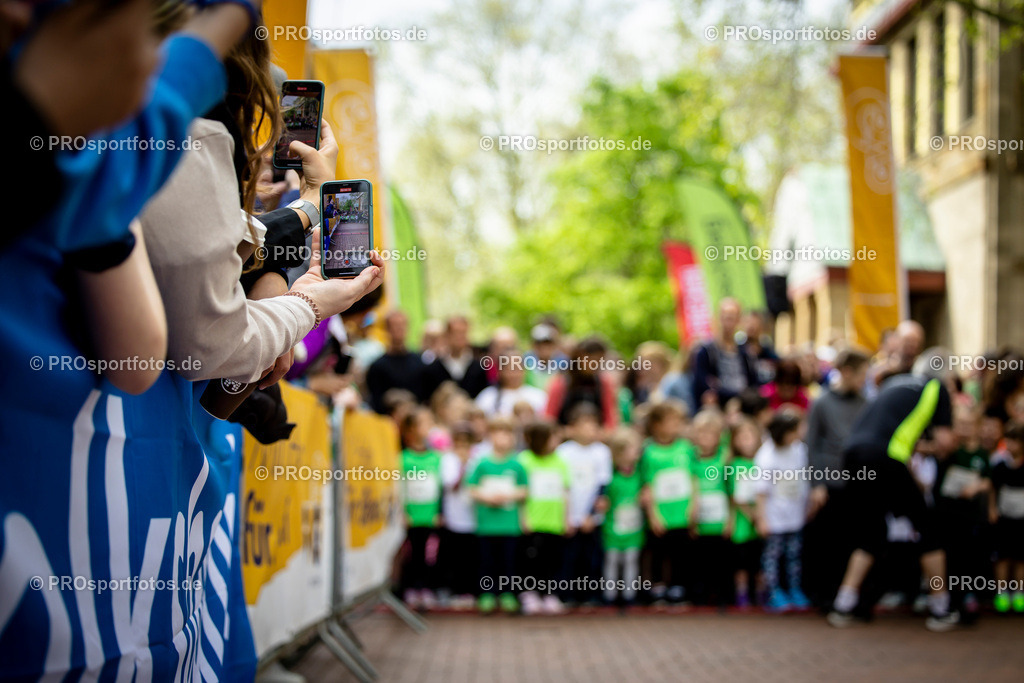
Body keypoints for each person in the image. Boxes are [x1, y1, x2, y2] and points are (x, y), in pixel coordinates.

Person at [828, 349, 959, 631]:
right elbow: (946, 442)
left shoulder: (895, 383)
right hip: (885, 457)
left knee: (871, 532)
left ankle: (844, 604)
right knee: (928, 528)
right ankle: (941, 607)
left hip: (853, 455)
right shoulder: (936, 388)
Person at [802, 348, 870, 607]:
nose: (865, 379)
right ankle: (823, 595)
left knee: (851, 541)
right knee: (827, 543)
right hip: (829, 484)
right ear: (847, 371)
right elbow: (812, 445)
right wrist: (817, 484)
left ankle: (848, 595)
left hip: (857, 482)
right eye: (862, 373)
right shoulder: (821, 402)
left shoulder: (865, 403)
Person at [933, 404, 992, 621]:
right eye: (961, 424)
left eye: (969, 425)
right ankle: (947, 599)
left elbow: (987, 480)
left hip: (971, 516)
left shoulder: (981, 454)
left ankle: (966, 597)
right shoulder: (950, 451)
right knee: (950, 558)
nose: (965, 429)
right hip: (949, 514)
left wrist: (977, 488)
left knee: (969, 558)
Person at [467, 417, 528, 614]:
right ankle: (487, 595)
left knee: (508, 562)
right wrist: (486, 497)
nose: (502, 438)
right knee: (487, 561)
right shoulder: (482, 463)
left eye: (506, 433)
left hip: (509, 524)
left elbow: (524, 490)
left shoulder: (517, 464)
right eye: (497, 433)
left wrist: (507, 495)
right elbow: (472, 488)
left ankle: (508, 594)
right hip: (487, 524)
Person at [639, 400, 697, 604]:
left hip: (681, 513)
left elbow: (693, 479)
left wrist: (693, 508)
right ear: (657, 425)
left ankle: (678, 588)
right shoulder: (649, 451)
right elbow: (647, 485)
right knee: (658, 553)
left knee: (681, 553)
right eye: (672, 422)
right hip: (661, 514)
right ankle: (658, 589)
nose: (677, 427)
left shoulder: (686, 448)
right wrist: (653, 515)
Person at [755, 409, 811, 612]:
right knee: (773, 555)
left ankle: (794, 589)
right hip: (774, 514)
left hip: (795, 512)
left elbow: (804, 479)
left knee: (793, 555)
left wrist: (807, 506)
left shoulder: (799, 449)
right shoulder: (767, 454)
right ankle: (774, 592)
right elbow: (761, 490)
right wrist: (762, 519)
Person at [556, 404, 613, 605]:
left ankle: (591, 595)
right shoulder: (563, 452)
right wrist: (566, 517)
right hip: (570, 516)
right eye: (585, 425)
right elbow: (562, 485)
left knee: (592, 557)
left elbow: (602, 484)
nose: (590, 430)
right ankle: (567, 595)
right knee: (569, 557)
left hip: (592, 518)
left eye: (594, 425)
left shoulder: (602, 452)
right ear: (572, 428)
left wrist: (590, 515)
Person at [517, 420, 572, 615]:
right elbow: (521, 494)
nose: (557, 441)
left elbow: (565, 492)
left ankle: (550, 593)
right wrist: (523, 518)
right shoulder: (524, 460)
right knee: (532, 560)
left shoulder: (560, 461)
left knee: (552, 559)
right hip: (534, 521)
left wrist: (566, 518)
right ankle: (529, 593)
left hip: (554, 521)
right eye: (553, 437)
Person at [400, 407, 444, 610]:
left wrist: (439, 513)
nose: (429, 427)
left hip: (430, 515)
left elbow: (439, 487)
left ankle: (425, 588)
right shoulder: (403, 459)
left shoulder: (436, 458)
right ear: (411, 430)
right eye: (423, 423)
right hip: (411, 516)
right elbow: (399, 489)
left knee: (429, 553)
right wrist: (403, 513)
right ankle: (410, 588)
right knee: (412, 552)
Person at [690, 410, 732, 605]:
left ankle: (723, 595)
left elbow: (731, 490)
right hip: (700, 519)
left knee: (721, 560)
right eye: (701, 433)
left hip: (720, 519)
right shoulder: (690, 458)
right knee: (700, 560)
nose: (705, 438)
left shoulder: (724, 458)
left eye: (710, 434)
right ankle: (701, 595)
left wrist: (730, 519)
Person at [600, 428, 645, 605]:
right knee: (612, 561)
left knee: (631, 561)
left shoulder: (640, 474)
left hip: (634, 528)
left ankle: (629, 594)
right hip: (613, 528)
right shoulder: (611, 476)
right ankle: (609, 595)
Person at [692, 298, 760, 409]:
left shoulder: (746, 353)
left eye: (732, 318)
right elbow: (702, 382)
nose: (728, 323)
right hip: (719, 403)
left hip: (744, 403)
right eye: (726, 318)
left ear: (738, 321)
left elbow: (753, 381)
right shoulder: (706, 351)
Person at [440, 423, 478, 609]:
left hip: (474, 518)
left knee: (471, 558)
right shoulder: (448, 460)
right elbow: (451, 485)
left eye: (467, 442)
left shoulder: (478, 459)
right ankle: (454, 590)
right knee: (454, 557)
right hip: (454, 518)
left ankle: (470, 592)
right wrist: (462, 467)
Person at [545, 336, 619, 429]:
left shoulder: (604, 383)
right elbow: (549, 419)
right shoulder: (562, 382)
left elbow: (610, 421)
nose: (595, 365)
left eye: (599, 361)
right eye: (592, 361)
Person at [728, 418, 763, 608]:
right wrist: (753, 515)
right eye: (741, 437)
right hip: (742, 523)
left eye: (749, 437)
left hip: (761, 522)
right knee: (741, 561)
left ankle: (760, 592)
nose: (746, 441)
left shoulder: (762, 463)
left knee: (759, 561)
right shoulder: (735, 465)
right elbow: (737, 497)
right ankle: (742, 594)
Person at [989, 422, 1024, 613]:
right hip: (1005, 518)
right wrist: (992, 509)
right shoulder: (999, 465)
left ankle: (1019, 593)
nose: (1011, 445)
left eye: (1015, 441)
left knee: (1020, 559)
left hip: (1021, 518)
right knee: (1002, 557)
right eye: (1008, 440)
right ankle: (1002, 593)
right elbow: (994, 489)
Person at [366, 310, 429, 413]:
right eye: (395, 325)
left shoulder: (419, 362)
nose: (400, 329)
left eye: (403, 325)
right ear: (387, 330)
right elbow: (377, 402)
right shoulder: (377, 367)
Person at [424, 315, 490, 399]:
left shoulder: (479, 368)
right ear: (447, 335)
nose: (460, 337)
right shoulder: (433, 369)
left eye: (463, 332)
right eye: (456, 333)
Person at [475, 350, 548, 418]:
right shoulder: (488, 397)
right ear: (500, 371)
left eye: (517, 368)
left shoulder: (538, 396)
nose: (514, 374)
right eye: (509, 369)